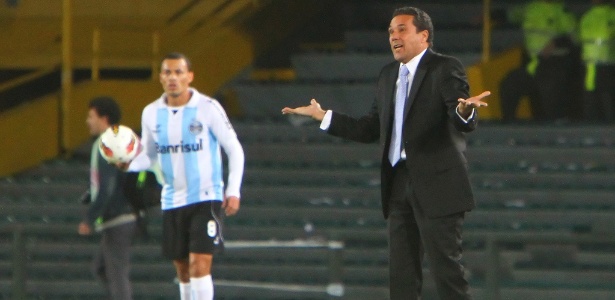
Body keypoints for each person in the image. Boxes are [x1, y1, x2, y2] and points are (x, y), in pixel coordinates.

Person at [282, 6, 489, 300]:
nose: (393, 36)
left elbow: (458, 113)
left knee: (447, 272)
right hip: (398, 184)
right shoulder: (388, 74)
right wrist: (324, 116)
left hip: (437, 184)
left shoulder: (445, 67)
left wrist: (464, 111)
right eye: (391, 31)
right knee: (401, 276)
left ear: (424, 35)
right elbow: (370, 128)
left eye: (402, 29)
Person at [126, 52, 245, 300]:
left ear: (190, 76)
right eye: (167, 72)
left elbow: (234, 148)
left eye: (179, 72)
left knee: (199, 264)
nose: (173, 77)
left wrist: (233, 189)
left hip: (206, 196)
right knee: (182, 268)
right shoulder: (151, 113)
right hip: (172, 199)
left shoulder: (207, 108)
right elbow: (149, 155)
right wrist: (128, 164)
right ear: (160, 77)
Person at [79, 96, 136, 300]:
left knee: (116, 274)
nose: (88, 121)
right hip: (121, 218)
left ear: (104, 118)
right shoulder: (118, 140)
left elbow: (107, 187)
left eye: (91, 116)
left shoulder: (108, 143)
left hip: (118, 219)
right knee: (101, 268)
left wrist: (90, 218)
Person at [499, 0, 582, 122]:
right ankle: (508, 124)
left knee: (549, 91)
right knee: (509, 84)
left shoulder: (562, 12)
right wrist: (493, 15)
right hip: (532, 64)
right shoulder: (531, 8)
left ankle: (554, 125)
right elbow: (512, 15)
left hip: (555, 64)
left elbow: (576, 38)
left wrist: (557, 43)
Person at [579, 0, 615, 122]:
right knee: (592, 113)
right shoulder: (586, 17)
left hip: (608, 71)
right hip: (591, 73)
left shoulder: (611, 15)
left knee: (608, 112)